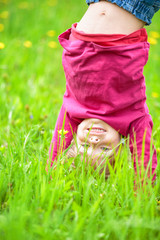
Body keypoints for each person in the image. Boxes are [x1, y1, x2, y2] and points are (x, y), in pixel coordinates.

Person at [48, 0, 160, 182]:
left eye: (84, 145)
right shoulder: (133, 117)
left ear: (74, 137)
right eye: (105, 149)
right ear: (124, 144)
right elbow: (145, 161)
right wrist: (144, 193)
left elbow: (56, 148)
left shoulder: (74, 111)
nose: (93, 141)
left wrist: (49, 175)